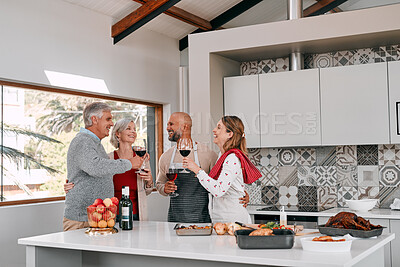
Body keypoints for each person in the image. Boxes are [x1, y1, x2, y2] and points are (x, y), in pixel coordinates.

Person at [63, 102, 144, 231]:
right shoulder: (83, 141)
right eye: (108, 119)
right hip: (82, 219)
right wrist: (129, 163)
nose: (112, 124)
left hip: (96, 217)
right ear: (94, 119)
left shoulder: (95, 143)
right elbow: (95, 167)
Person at [156, 112, 249, 223]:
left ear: (185, 126)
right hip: (175, 219)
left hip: (204, 219)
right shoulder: (166, 157)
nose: (167, 128)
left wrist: (242, 193)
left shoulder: (209, 155)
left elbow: (221, 184)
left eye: (171, 124)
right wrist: (164, 189)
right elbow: (159, 184)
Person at [183, 116, 261, 223]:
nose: (214, 130)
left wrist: (197, 170)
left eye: (219, 127)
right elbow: (230, 184)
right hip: (221, 219)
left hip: (233, 220)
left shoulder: (232, 158)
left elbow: (219, 190)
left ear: (230, 134)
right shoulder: (222, 155)